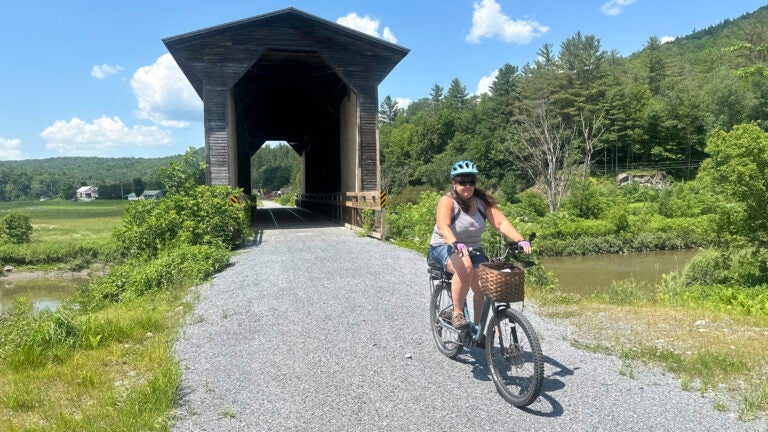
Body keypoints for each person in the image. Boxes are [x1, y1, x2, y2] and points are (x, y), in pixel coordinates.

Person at [427, 160, 532, 329]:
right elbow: (443, 225)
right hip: (443, 246)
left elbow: (501, 223)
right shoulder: (447, 201)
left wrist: (519, 240)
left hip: (473, 249)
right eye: (462, 182)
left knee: (483, 287)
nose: (467, 186)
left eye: (471, 182)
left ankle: (478, 330)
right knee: (466, 265)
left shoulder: (481, 202)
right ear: (454, 183)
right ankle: (457, 313)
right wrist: (455, 243)